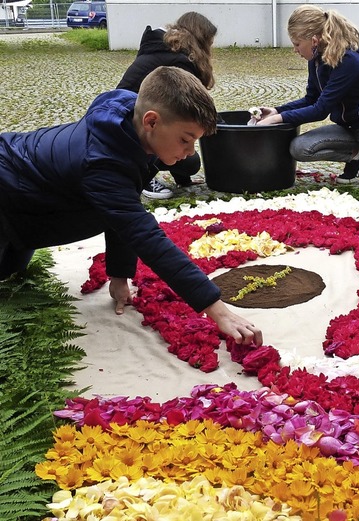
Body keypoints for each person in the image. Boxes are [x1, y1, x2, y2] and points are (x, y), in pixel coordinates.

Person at [0, 66, 262, 347]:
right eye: (185, 140)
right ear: (151, 122)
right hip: (9, 192)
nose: (189, 152)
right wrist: (217, 309)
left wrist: (119, 273)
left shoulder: (131, 123)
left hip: (30, 202)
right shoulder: (102, 164)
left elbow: (124, 202)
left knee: (12, 270)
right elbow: (143, 234)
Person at [256, 4, 359, 203]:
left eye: (297, 44)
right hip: (350, 130)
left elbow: (320, 110)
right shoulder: (315, 61)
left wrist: (275, 120)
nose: (295, 49)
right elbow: (311, 99)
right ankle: (356, 156)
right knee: (299, 148)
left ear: (314, 40)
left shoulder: (348, 60)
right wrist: (276, 111)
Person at [117, 12, 218, 200]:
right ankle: (142, 178)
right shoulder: (181, 61)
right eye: (210, 44)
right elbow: (188, 109)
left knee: (189, 161)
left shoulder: (166, 50)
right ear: (202, 39)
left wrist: (184, 180)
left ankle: (175, 175)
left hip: (134, 114)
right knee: (183, 153)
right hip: (134, 124)